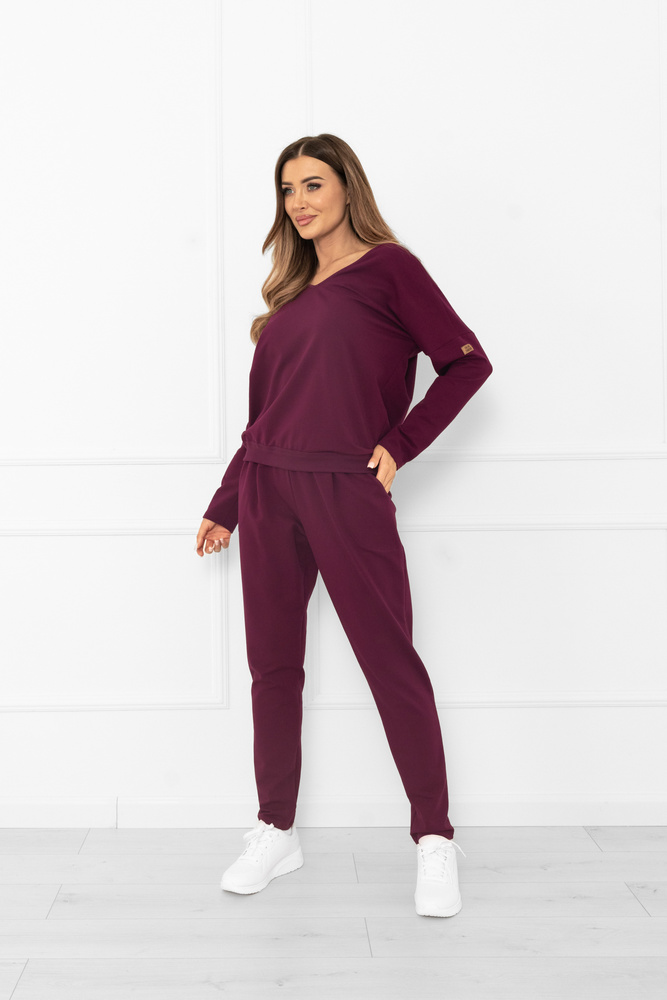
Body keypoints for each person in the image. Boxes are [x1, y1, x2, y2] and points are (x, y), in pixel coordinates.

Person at [195, 133, 492, 918]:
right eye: (287, 189)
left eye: (312, 184)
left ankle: (434, 837)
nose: (297, 202)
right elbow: (265, 418)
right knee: (272, 668)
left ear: (347, 189)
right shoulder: (290, 295)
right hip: (268, 488)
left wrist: (399, 445)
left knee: (390, 661)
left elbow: (467, 363)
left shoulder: (389, 269)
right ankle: (275, 829)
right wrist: (226, 502)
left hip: (346, 489)